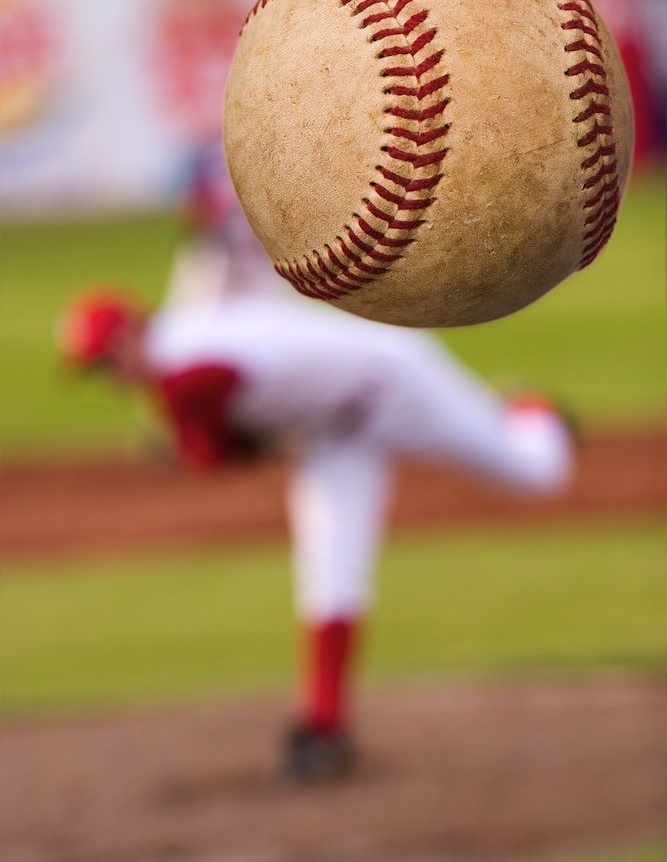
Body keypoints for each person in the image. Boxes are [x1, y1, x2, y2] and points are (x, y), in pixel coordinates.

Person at [58, 289, 574, 783]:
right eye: (97, 368)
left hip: (395, 384)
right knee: (330, 571)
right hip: (332, 430)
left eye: (106, 361)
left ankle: (531, 409)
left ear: (130, 334)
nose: (108, 376)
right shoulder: (184, 340)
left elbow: (212, 454)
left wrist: (182, 446)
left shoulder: (182, 368)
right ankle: (325, 729)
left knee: (536, 472)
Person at [164, 140, 284, 306]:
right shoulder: (204, 156)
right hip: (214, 254)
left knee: (269, 312)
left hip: (256, 257)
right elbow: (188, 211)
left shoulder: (256, 148)